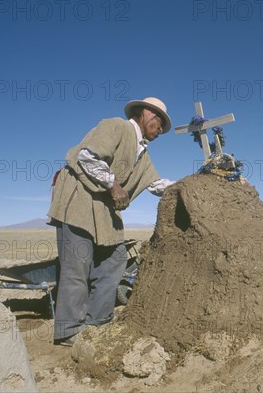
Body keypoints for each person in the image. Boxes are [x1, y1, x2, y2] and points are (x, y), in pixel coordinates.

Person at [47, 97, 174, 346]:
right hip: (80, 200)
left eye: (163, 127)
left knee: (115, 260)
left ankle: (97, 322)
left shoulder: (143, 154)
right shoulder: (117, 126)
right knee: (77, 266)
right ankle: (69, 331)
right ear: (145, 113)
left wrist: (187, 186)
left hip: (104, 208)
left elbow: (156, 184)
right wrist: (114, 185)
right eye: (159, 121)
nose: (160, 129)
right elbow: (87, 157)